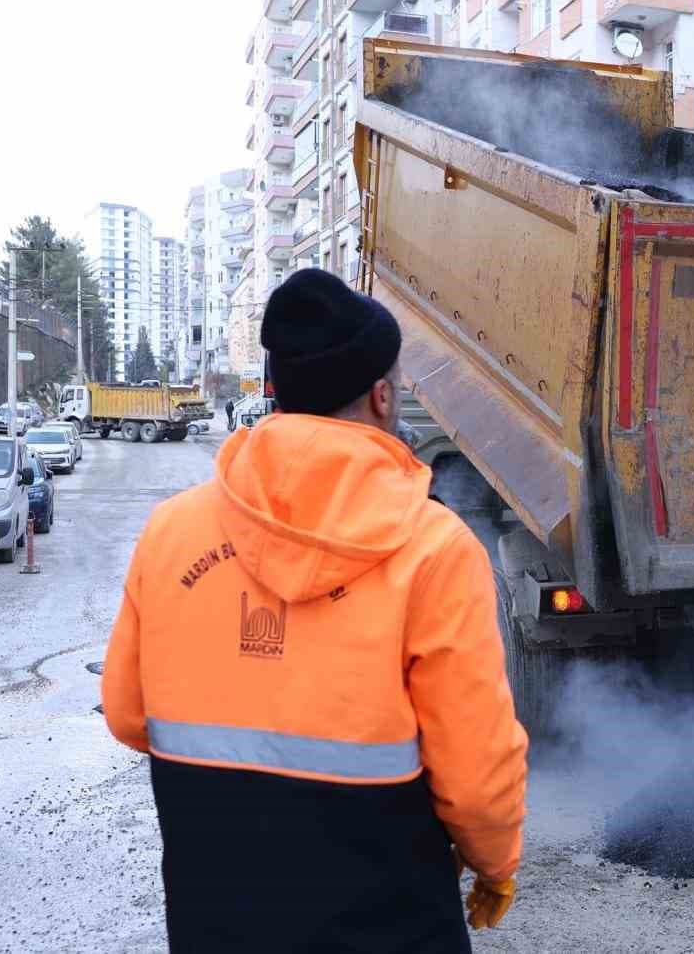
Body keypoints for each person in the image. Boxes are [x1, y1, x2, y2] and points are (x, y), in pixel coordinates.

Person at [102, 269, 527, 953]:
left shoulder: (170, 533)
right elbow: (477, 783)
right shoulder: (435, 551)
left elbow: (127, 712)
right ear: (383, 396)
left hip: (216, 925)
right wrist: (496, 865)